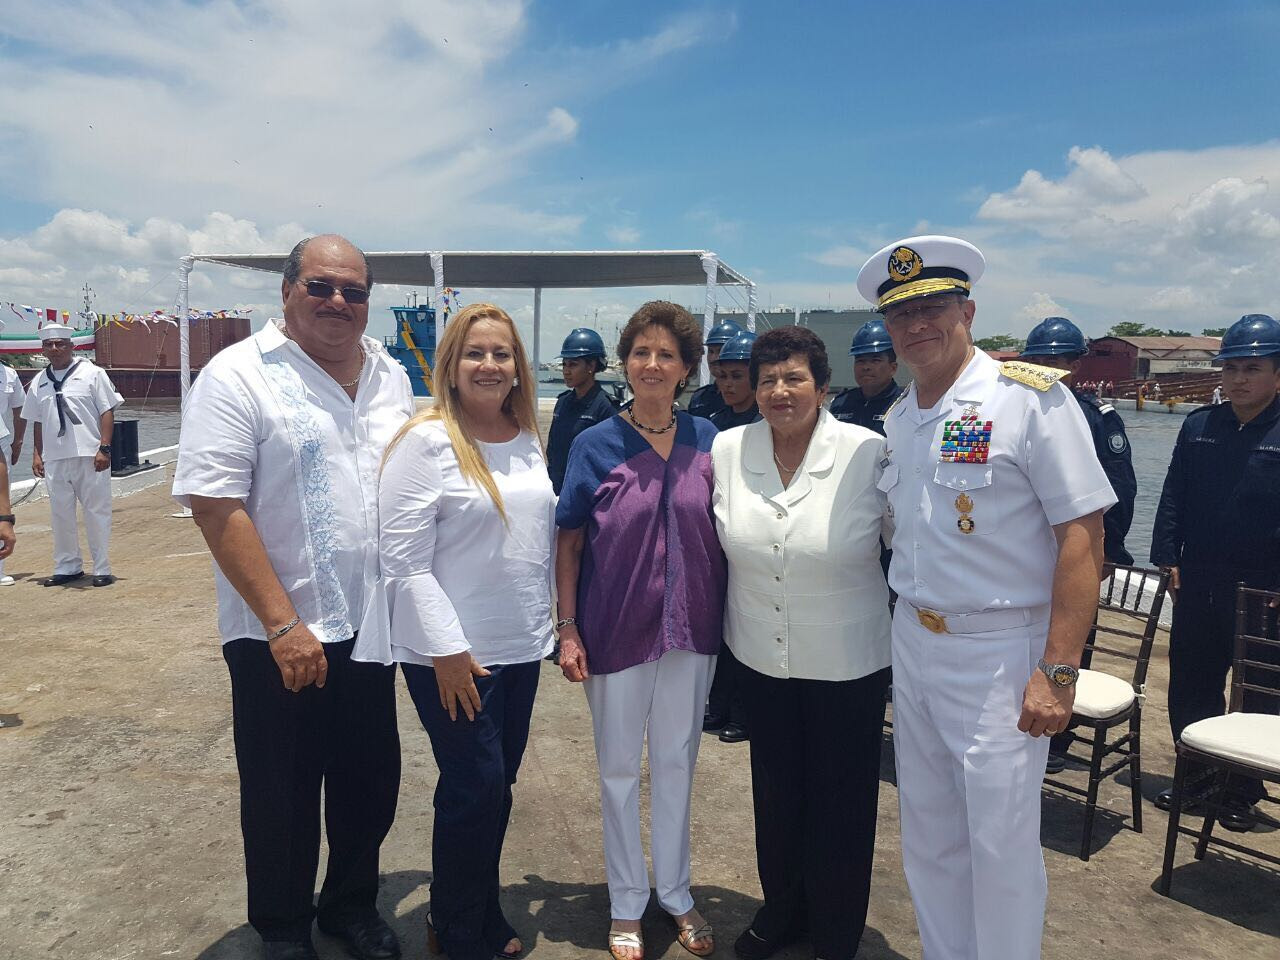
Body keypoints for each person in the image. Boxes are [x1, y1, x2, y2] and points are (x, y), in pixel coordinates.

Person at [857, 235, 1113, 960]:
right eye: (901, 316)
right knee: (930, 835)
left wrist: (1059, 670)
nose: (916, 327)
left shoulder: (1030, 400)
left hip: (1001, 652)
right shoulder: (902, 417)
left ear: (967, 309)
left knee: (998, 846)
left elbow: (1082, 538)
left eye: (933, 308)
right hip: (916, 640)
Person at [173, 235, 411, 960]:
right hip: (280, 631)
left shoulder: (391, 376)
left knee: (369, 782)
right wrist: (282, 623)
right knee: (281, 790)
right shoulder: (237, 375)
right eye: (322, 286)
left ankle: (348, 906)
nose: (339, 301)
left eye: (355, 290)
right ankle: (280, 928)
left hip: (372, 628)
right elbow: (215, 503)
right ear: (287, 290)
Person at [355, 303, 551, 960]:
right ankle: (458, 930)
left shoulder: (526, 435)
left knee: (497, 786)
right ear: (451, 366)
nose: (490, 365)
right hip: (454, 653)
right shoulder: (427, 440)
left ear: (517, 367)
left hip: (520, 645)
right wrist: (446, 651)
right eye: (476, 353)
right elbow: (402, 559)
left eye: (501, 354)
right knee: (474, 784)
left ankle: (474, 905)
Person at [712, 326, 892, 960]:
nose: (780, 391)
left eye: (794, 378)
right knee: (777, 796)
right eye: (767, 380)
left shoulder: (869, 452)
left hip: (849, 662)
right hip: (761, 655)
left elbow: (910, 545)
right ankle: (782, 910)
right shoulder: (729, 449)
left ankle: (836, 930)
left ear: (822, 385)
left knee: (842, 804)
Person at [556, 301, 725, 960]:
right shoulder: (594, 441)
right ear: (625, 362)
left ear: (686, 369)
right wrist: (567, 627)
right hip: (614, 628)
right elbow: (569, 541)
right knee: (620, 768)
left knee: (679, 763)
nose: (652, 365)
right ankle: (627, 900)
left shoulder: (709, 439)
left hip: (692, 628)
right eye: (641, 352)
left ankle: (675, 893)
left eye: (667, 355)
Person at [1150, 313, 1280, 832]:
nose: (1240, 379)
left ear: (1277, 373)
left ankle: (1243, 789)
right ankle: (1198, 779)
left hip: (1264, 589)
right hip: (1199, 579)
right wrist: (1167, 555)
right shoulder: (1199, 426)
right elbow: (1173, 496)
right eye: (1232, 368)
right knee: (1192, 684)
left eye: (1253, 368)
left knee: (1257, 693)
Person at [1020, 317, 1139, 773]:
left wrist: (1108, 554)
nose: (1048, 370)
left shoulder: (1095, 417)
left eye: (1057, 362)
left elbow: (1120, 491)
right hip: (1029, 557)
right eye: (1039, 361)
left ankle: (1057, 737)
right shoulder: (1018, 414)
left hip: (1076, 554)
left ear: (1074, 365)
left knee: (1069, 641)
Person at [20, 324, 121, 587]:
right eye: (49, 345)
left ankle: (101, 568)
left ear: (71, 346)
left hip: (90, 454)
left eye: (60, 343)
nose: (54, 349)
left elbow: (107, 411)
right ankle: (67, 566)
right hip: (55, 457)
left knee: (96, 512)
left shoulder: (92, 374)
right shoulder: (39, 382)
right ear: (44, 349)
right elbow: (38, 420)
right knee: (60, 514)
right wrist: (37, 454)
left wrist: (105, 447)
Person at [704, 330, 760, 745]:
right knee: (721, 628)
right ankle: (718, 703)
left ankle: (744, 712)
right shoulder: (712, 426)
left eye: (736, 375)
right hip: (716, 536)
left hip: (753, 539)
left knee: (748, 628)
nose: (726, 384)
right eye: (721, 375)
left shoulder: (765, 424)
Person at [547, 327, 618, 495]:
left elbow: (611, 462)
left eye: (573, 364)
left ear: (591, 366)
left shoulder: (606, 408)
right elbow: (553, 449)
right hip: (557, 491)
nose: (566, 370)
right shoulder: (563, 403)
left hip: (587, 497)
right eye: (564, 364)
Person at [828, 318, 903, 435]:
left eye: (875, 360)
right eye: (860, 361)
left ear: (893, 368)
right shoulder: (840, 404)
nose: (866, 367)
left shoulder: (905, 405)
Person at [686, 318, 745, 419]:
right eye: (711, 351)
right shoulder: (700, 397)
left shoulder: (746, 397)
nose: (714, 358)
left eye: (720, 350)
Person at [0, 360, 24, 586]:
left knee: (0, 500)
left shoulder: (8, 373)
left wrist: (18, 442)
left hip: (1, 439)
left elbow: (20, 408)